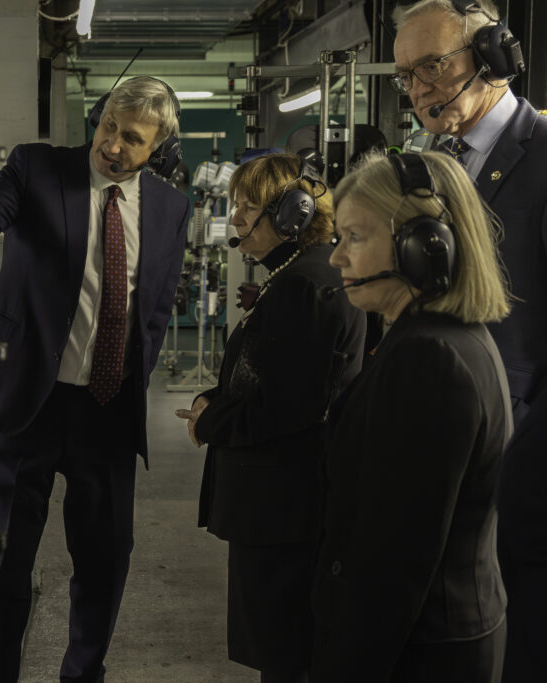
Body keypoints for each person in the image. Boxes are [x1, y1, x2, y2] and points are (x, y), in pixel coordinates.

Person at [0, 76, 190, 683]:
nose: (114, 145)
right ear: (97, 119)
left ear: (158, 151)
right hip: (23, 405)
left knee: (105, 565)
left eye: (132, 139)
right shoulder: (38, 169)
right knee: (4, 571)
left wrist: (132, 380)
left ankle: (83, 675)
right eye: (108, 127)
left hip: (105, 411)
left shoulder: (173, 208)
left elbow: (154, 306)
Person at [311, 151, 511, 682]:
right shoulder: (450, 339)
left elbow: (393, 561)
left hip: (418, 654)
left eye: (354, 237)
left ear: (424, 247)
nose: (336, 259)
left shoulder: (428, 359)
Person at [392, 4, 547, 677]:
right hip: (437, 462)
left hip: (523, 477)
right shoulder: (423, 164)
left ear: (493, 56)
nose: (420, 86)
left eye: (434, 64)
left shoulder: (543, 156)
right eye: (405, 74)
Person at [176, 152, 366, 683]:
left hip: (283, 506)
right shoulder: (299, 274)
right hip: (286, 501)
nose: (235, 219)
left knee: (285, 655)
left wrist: (209, 423)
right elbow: (273, 372)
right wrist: (216, 397)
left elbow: (290, 405)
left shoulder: (303, 284)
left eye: (247, 208)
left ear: (293, 216)